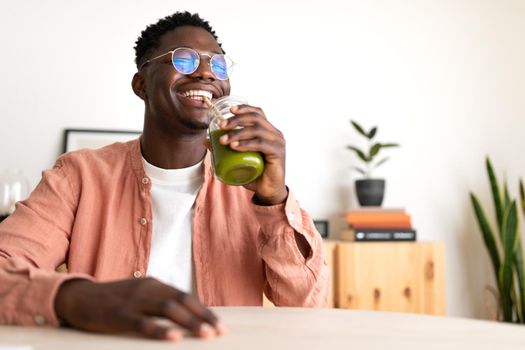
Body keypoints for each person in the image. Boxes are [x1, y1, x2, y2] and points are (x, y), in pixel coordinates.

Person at [0, 11, 329, 341]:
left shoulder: (252, 189)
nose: (205, 72)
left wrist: (274, 200)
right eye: (184, 60)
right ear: (141, 84)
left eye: (218, 65)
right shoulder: (78, 176)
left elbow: (308, 309)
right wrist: (79, 298)